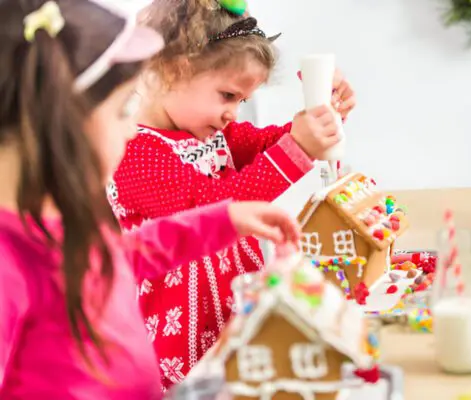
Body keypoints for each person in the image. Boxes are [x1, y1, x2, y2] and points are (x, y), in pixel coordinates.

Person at [0, 1, 300, 399]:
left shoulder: (62, 222)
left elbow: (121, 261)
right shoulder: (8, 266)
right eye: (123, 110)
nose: (131, 129)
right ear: (60, 119)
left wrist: (224, 221)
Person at [108, 0, 357, 389]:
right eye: (227, 95)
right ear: (175, 68)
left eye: (242, 101)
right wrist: (300, 148)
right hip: (177, 338)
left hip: (231, 314)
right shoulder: (134, 154)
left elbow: (270, 143)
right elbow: (212, 208)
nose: (235, 115)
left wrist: (321, 121)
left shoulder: (212, 134)